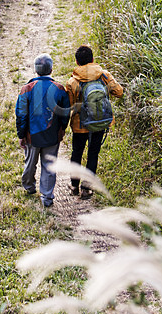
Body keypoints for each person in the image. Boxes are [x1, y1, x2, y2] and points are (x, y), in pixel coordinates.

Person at [66, 45, 123, 199]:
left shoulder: (72, 81)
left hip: (80, 124)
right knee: (93, 153)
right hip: (99, 122)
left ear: (77, 62)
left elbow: (70, 105)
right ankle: (86, 188)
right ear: (92, 59)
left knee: (77, 153)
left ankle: (74, 185)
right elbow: (119, 92)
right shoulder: (104, 76)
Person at [15, 53, 70, 208]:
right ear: (51, 69)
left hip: (31, 135)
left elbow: (21, 114)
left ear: (35, 70)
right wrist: (62, 129)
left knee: (30, 163)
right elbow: (65, 112)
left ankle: (29, 186)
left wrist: (21, 134)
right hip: (52, 135)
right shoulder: (59, 88)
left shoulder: (26, 89)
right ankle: (47, 196)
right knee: (49, 165)